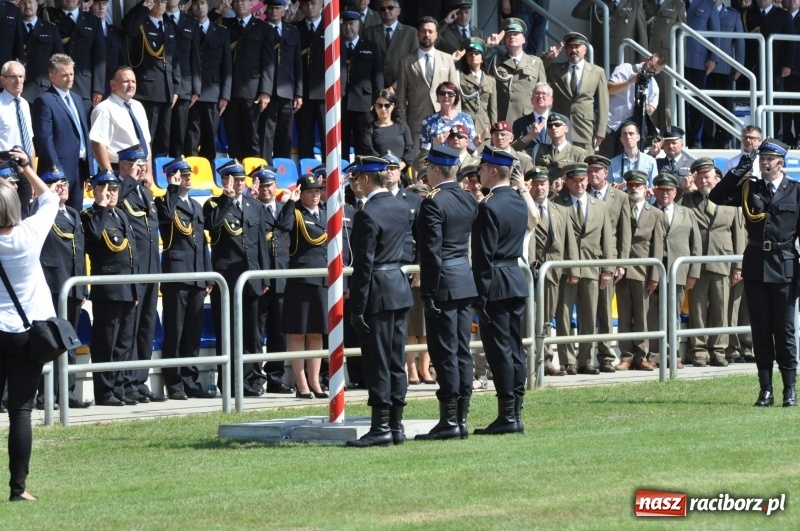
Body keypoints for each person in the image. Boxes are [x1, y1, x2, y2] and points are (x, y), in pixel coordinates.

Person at [708, 139, 798, 407]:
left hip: (785, 266)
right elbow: (716, 196)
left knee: (785, 331)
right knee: (760, 330)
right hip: (757, 265)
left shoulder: (795, 191)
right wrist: (737, 171)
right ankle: (766, 389)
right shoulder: (750, 187)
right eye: (762, 159)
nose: (764, 163)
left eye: (769, 159)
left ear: (780, 162)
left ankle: (789, 389)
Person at [0, 146, 56, 502]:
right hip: (25, 334)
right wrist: (25, 168)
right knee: (21, 410)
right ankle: (18, 489)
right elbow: (49, 198)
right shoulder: (28, 236)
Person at [346, 156, 413, 447]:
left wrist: (357, 307)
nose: (354, 183)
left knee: (378, 361)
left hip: (378, 290)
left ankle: (381, 427)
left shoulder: (367, 213)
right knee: (396, 359)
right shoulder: (400, 205)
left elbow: (364, 265)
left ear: (365, 179)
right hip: (398, 285)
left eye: (357, 177)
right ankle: (395, 425)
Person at [415, 144, 478, 441]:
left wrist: (428, 291)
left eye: (429, 168)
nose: (427, 173)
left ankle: (449, 420)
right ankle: (461, 415)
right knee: (461, 351)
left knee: (445, 353)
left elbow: (431, 253)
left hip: (444, 281)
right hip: (464, 279)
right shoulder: (467, 198)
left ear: (436, 169)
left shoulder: (433, 202)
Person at [470, 146, 529, 435]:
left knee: (499, 350)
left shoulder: (489, 206)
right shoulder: (518, 201)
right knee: (514, 348)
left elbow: (482, 258)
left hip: (495, 282)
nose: (478, 172)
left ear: (493, 171)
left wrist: (478, 296)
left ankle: (508, 414)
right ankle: (515, 410)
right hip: (515, 278)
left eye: (482, 168)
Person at [26, 167, 91, 410]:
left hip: (72, 286)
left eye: (63, 181)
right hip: (50, 285)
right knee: (50, 341)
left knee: (70, 341)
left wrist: (82, 285)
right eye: (54, 183)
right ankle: (45, 395)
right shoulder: (39, 211)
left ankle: (68, 392)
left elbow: (80, 252)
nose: (61, 185)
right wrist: (46, 197)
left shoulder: (74, 213)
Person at [203, 159, 270, 396]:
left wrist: (264, 278)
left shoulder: (255, 206)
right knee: (228, 333)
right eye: (235, 180)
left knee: (252, 333)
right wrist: (227, 200)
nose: (240, 184)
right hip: (227, 279)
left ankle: (251, 380)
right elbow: (212, 227)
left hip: (251, 279)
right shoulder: (213, 204)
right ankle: (230, 382)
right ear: (225, 181)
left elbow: (261, 243)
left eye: (243, 180)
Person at [155, 157, 216, 400]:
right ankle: (175, 382)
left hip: (198, 276)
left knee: (192, 332)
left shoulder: (196, 206)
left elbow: (202, 242)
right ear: (173, 176)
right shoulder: (165, 202)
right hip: (177, 276)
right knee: (175, 331)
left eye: (189, 174)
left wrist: (208, 275)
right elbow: (167, 217)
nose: (188, 178)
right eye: (182, 174)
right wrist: (171, 186)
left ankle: (190, 379)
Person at [81, 170, 141, 406]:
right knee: (106, 342)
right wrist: (102, 205)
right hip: (108, 290)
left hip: (127, 288)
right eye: (107, 189)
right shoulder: (90, 216)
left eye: (115, 189)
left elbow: (131, 253)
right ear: (95, 190)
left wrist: (135, 288)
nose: (112, 193)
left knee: (123, 344)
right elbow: (94, 236)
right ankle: (104, 392)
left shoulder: (121, 216)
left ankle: (118, 388)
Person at [679, 158, 745, 367]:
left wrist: (738, 266)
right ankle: (698, 351)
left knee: (720, 309)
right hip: (696, 265)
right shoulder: (688, 199)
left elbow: (738, 234)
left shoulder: (730, 200)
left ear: (717, 178)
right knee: (697, 310)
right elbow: (671, 208)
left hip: (722, 262)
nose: (702, 180)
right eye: (699, 176)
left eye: (706, 176)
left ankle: (718, 350)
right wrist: (682, 189)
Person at [554, 163, 614, 375]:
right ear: (567, 181)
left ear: (587, 180)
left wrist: (607, 268)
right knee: (563, 315)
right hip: (565, 267)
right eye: (575, 180)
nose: (579, 184)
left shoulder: (600, 205)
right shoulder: (557, 204)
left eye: (582, 180)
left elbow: (608, 238)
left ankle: (585, 360)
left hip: (591, 267)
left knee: (589, 316)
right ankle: (568, 360)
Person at [275, 174, 329, 399]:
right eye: (309, 191)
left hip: (322, 279)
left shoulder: (326, 212)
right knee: (298, 333)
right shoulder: (295, 212)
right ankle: (301, 382)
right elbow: (282, 227)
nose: (315, 195)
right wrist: (290, 201)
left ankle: (315, 381)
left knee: (316, 334)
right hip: (301, 280)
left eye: (317, 191)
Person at [527, 166, 578, 376]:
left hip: (553, 272)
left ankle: (546, 361)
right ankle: (532, 361)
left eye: (543, 183)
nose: (540, 188)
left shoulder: (560, 210)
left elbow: (569, 242)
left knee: (547, 317)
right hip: (531, 271)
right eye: (536, 184)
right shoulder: (524, 208)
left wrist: (573, 268)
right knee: (530, 317)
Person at [647, 173, 701, 367]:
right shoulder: (649, 210)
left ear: (675, 191)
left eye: (669, 189)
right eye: (661, 189)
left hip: (678, 272)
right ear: (654, 191)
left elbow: (696, 244)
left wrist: (693, 272)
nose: (665, 193)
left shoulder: (686, 213)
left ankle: (674, 353)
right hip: (652, 272)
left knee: (673, 313)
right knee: (652, 314)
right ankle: (654, 355)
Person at [614, 169, 664, 372]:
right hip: (622, 269)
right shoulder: (620, 209)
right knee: (624, 315)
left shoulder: (656, 214)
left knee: (643, 316)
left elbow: (657, 248)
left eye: (638, 185)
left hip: (643, 271)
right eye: (631, 185)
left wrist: (654, 275)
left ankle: (642, 356)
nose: (634, 189)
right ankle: (626, 356)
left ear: (645, 189)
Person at [586, 155, 631, 372]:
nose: (593, 174)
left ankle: (605, 355)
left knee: (604, 310)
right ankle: (583, 358)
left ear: (606, 173)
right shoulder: (581, 193)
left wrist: (619, 263)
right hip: (584, 259)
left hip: (608, 260)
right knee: (586, 310)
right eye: (590, 170)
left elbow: (624, 233)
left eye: (598, 170)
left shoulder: (620, 197)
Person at [32, 53, 93, 213]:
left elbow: (84, 134)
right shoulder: (45, 100)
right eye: (64, 75)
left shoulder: (77, 99)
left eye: (71, 74)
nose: (70, 78)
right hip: (58, 170)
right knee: (56, 215)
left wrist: (89, 169)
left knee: (76, 213)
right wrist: (55, 170)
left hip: (80, 166)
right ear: (52, 76)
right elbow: (45, 138)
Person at [216, 0, 274, 161]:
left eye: (244, 0)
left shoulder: (264, 28)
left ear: (252, 4)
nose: (240, 3)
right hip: (230, 92)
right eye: (236, 1)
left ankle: (254, 174)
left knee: (252, 138)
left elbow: (268, 63)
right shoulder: (224, 25)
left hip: (252, 92)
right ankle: (237, 175)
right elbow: (206, 26)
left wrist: (265, 91)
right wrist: (219, 10)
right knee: (233, 137)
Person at [121, 0, 179, 158]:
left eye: (163, 1)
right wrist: (143, 7)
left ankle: (160, 176)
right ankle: (145, 173)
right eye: (156, 1)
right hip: (149, 90)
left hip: (167, 90)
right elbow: (128, 27)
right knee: (148, 137)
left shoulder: (168, 26)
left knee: (163, 139)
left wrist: (176, 87)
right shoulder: (141, 25)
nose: (160, 4)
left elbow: (175, 60)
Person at [395, 17, 458, 155]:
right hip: (417, 124)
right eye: (423, 31)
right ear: (418, 33)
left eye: (430, 31)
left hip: (444, 123)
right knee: (419, 167)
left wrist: (456, 121)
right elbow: (400, 97)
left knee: (445, 165)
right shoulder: (406, 61)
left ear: (436, 34)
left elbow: (455, 93)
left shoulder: (447, 59)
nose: (426, 35)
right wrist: (403, 125)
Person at [544, 32, 609, 155]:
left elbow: (603, 104)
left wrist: (600, 132)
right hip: (560, 129)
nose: (574, 50)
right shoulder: (555, 69)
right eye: (570, 47)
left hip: (584, 130)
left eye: (577, 46)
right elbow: (538, 70)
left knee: (583, 169)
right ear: (565, 50)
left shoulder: (597, 72)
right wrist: (548, 58)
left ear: (585, 49)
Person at [185, 0, 232, 163]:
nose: (199, 7)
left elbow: (227, 66)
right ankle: (191, 175)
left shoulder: (221, 32)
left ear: (208, 6)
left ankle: (208, 175)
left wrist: (225, 95)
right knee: (191, 137)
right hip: (191, 93)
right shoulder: (186, 28)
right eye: (196, 4)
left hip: (213, 93)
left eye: (203, 3)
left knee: (209, 139)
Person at [44, 0, 106, 113]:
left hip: (84, 86)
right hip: (56, 84)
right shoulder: (49, 17)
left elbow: (99, 57)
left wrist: (98, 89)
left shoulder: (93, 21)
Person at [89, 66, 152, 175]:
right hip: (119, 170)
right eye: (126, 81)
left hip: (141, 170)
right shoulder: (104, 108)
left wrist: (149, 172)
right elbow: (98, 144)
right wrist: (109, 176)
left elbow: (146, 141)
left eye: (133, 81)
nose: (131, 85)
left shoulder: (138, 107)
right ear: (113, 84)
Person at [601, 53, 665, 158]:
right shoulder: (625, 68)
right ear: (647, 59)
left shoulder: (653, 86)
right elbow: (608, 89)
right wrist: (630, 81)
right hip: (611, 121)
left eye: (655, 70)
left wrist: (645, 103)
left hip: (629, 128)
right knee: (606, 160)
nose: (651, 70)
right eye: (651, 65)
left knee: (624, 161)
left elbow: (651, 110)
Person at [486, 17, 546, 127]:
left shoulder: (536, 63)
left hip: (528, 120)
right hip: (501, 120)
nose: (512, 37)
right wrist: (488, 47)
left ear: (524, 39)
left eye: (516, 34)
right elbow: (473, 64)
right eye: (508, 35)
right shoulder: (495, 61)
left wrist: (542, 120)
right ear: (503, 40)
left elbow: (543, 95)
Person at [340, 10, 384, 159]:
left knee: (363, 142)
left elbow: (378, 76)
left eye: (351, 24)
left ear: (359, 25)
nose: (348, 28)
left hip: (364, 103)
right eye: (345, 24)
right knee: (342, 142)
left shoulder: (371, 47)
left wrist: (377, 101)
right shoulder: (335, 47)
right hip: (341, 103)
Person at [164, 0, 202, 157]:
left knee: (180, 134)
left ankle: (177, 171)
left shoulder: (191, 22)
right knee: (163, 132)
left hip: (185, 86)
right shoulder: (158, 19)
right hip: (164, 84)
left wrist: (196, 88)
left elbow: (195, 56)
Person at [572, 0, 649, 71]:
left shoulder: (635, 4)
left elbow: (642, 36)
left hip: (624, 59)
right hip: (599, 57)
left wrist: (642, 64)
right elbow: (577, 13)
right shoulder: (597, 3)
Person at [0, 61, 36, 206]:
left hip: (25, 167)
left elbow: (29, 141)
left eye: (21, 76)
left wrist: (33, 174)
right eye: (13, 77)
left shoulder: (25, 104)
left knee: (24, 215)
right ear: (3, 79)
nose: (19, 81)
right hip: (4, 167)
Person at [363, 0, 418, 89]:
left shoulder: (411, 33)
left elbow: (413, 63)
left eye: (390, 7)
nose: (386, 11)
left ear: (398, 11)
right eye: (382, 9)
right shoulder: (369, 32)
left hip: (401, 88)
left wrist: (394, 87)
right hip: (374, 88)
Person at [19, 0, 64, 103]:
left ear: (36, 4)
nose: (27, 5)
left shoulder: (51, 29)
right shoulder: (12, 28)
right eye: (23, 3)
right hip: (17, 87)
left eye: (30, 2)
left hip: (43, 89)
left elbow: (59, 61)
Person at [455, 37, 496, 145]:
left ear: (482, 58)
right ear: (466, 59)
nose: (473, 56)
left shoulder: (491, 80)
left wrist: (495, 132)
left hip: (484, 128)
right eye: (470, 54)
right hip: (464, 127)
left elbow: (493, 110)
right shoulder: (458, 76)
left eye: (477, 54)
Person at [418, 82, 476, 156]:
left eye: (450, 94)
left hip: (460, 163)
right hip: (437, 163)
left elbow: (471, 147)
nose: (446, 96)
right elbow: (423, 150)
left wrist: (476, 143)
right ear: (437, 97)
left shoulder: (466, 119)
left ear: (456, 97)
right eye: (442, 93)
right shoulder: (428, 121)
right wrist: (435, 145)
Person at [362, 90, 413, 169]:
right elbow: (369, 151)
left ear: (392, 106)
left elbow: (409, 150)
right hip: (379, 172)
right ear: (375, 107)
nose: (383, 109)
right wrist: (387, 167)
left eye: (387, 105)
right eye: (379, 105)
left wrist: (398, 168)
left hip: (400, 172)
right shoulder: (369, 128)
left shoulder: (403, 126)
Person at [609, 121, 658, 186]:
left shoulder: (650, 161)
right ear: (621, 139)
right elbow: (608, 189)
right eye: (624, 134)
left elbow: (653, 189)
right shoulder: (612, 163)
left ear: (638, 137)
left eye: (631, 133)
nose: (628, 137)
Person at [511, 82, 553, 154]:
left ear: (551, 101)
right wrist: (530, 136)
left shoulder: (561, 121)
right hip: (529, 163)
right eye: (537, 93)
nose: (540, 96)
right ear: (531, 100)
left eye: (544, 94)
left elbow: (567, 149)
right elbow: (513, 150)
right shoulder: (519, 123)